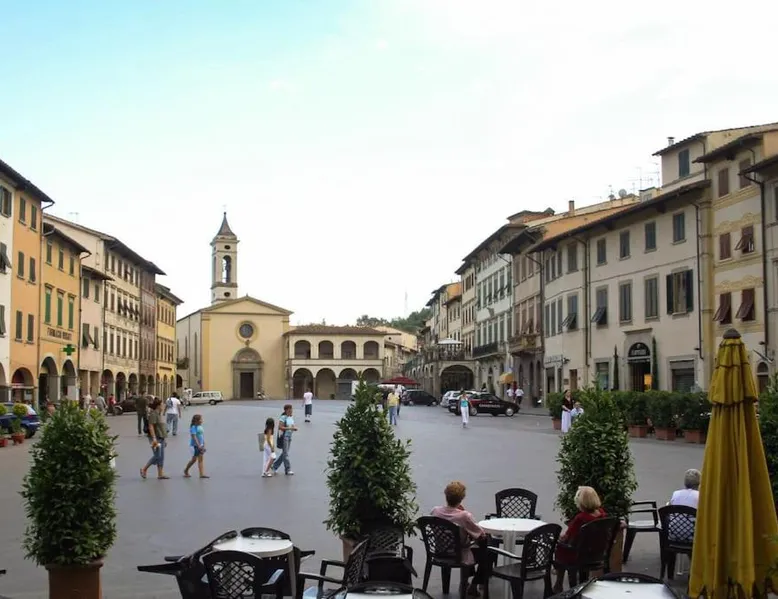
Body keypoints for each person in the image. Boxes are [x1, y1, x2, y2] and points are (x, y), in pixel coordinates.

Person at [431, 481, 493, 597]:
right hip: (460, 555)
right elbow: (481, 535)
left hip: (441, 552)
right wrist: (463, 512)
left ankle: (464, 581)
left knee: (472, 547)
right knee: (488, 552)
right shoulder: (464, 516)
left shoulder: (435, 511)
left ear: (446, 495)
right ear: (462, 498)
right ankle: (474, 584)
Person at [553, 486, 607, 593]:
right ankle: (559, 582)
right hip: (596, 555)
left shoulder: (581, 518)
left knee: (559, 548)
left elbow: (567, 536)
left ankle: (558, 583)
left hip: (578, 556)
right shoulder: (602, 514)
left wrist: (557, 538)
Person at [140, 399, 169, 479]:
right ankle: (144, 469)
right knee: (157, 456)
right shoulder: (153, 414)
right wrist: (154, 438)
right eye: (162, 404)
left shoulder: (159, 414)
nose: (163, 406)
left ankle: (160, 474)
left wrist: (165, 439)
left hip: (161, 437)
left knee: (161, 456)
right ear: (158, 406)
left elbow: (162, 427)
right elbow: (151, 426)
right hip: (156, 438)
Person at [272, 404, 298, 476]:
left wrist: (293, 428)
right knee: (285, 454)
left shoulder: (291, 417)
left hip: (289, 436)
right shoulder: (283, 417)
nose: (291, 411)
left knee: (284, 453)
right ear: (286, 410)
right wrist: (290, 428)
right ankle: (288, 469)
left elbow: (291, 425)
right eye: (290, 410)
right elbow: (280, 427)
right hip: (284, 437)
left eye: (291, 409)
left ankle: (274, 466)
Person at [183, 414, 208, 478]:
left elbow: (201, 436)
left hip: (201, 445)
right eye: (200, 419)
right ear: (196, 421)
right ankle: (186, 470)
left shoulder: (200, 427)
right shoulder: (193, 427)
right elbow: (194, 437)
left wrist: (203, 444)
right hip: (194, 446)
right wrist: (198, 445)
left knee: (201, 459)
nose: (202, 421)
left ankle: (201, 474)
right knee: (194, 460)